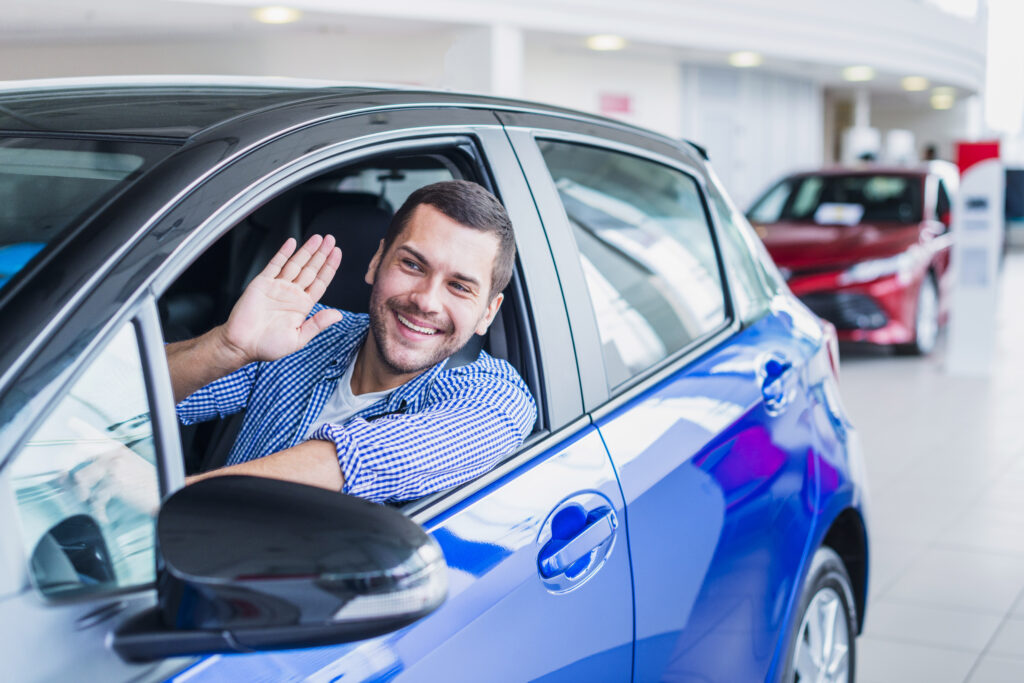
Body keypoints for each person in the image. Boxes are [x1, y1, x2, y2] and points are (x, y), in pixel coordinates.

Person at [168, 180, 536, 503]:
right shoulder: (306, 331)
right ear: (377, 261)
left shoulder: (498, 399)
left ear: (488, 313)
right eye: (412, 265)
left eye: (459, 286)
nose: (426, 301)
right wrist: (225, 349)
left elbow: (360, 458)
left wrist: (168, 500)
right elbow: (136, 397)